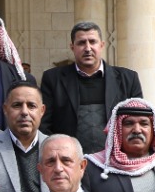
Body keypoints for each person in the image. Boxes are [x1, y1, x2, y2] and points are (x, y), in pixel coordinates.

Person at [38, 21, 144, 154]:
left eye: (92, 42)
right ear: (72, 47)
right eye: (81, 43)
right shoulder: (53, 79)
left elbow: (140, 122)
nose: (87, 48)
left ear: (102, 45)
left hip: (116, 160)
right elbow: (44, 124)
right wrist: (59, 155)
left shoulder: (128, 79)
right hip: (69, 160)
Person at [83, 99, 155, 192]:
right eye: (129, 123)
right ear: (117, 129)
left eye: (144, 124)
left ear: (154, 129)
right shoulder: (93, 167)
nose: (137, 130)